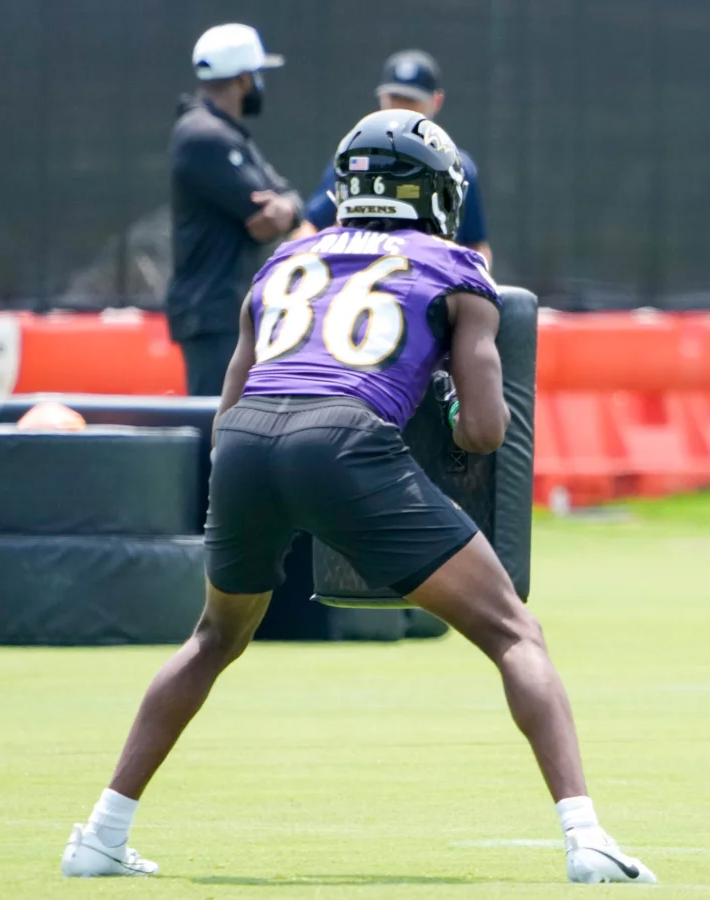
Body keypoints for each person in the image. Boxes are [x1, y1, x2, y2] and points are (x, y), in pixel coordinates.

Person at [61, 110, 654, 885]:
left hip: (243, 446)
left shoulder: (284, 259)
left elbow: (228, 408)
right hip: (344, 441)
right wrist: (440, 403)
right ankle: (586, 839)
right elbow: (483, 432)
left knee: (213, 639)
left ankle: (101, 833)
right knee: (514, 632)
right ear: (434, 192)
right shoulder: (453, 267)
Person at [166, 23, 304, 396]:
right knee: (215, 422)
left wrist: (288, 209)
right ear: (244, 79)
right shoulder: (203, 136)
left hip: (226, 312)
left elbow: (287, 199)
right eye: (257, 75)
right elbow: (262, 215)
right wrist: (285, 209)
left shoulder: (229, 134)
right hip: (211, 314)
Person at [291, 50, 492, 269]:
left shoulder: (456, 166)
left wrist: (471, 277)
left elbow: (477, 246)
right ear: (381, 98)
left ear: (436, 101)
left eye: (411, 100)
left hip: (430, 279)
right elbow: (309, 228)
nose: (400, 108)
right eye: (394, 98)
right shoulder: (356, 158)